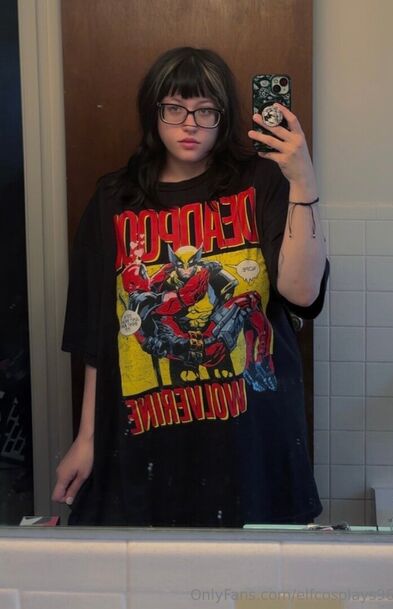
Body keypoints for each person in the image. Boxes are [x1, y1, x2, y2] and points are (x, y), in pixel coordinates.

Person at [52, 47, 328, 526]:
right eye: (174, 108)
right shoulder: (114, 198)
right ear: (153, 111)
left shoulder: (262, 181)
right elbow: (99, 335)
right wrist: (87, 439)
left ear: (224, 117)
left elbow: (303, 295)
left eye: (205, 111)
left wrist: (303, 181)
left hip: (251, 441)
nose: (190, 124)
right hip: (147, 440)